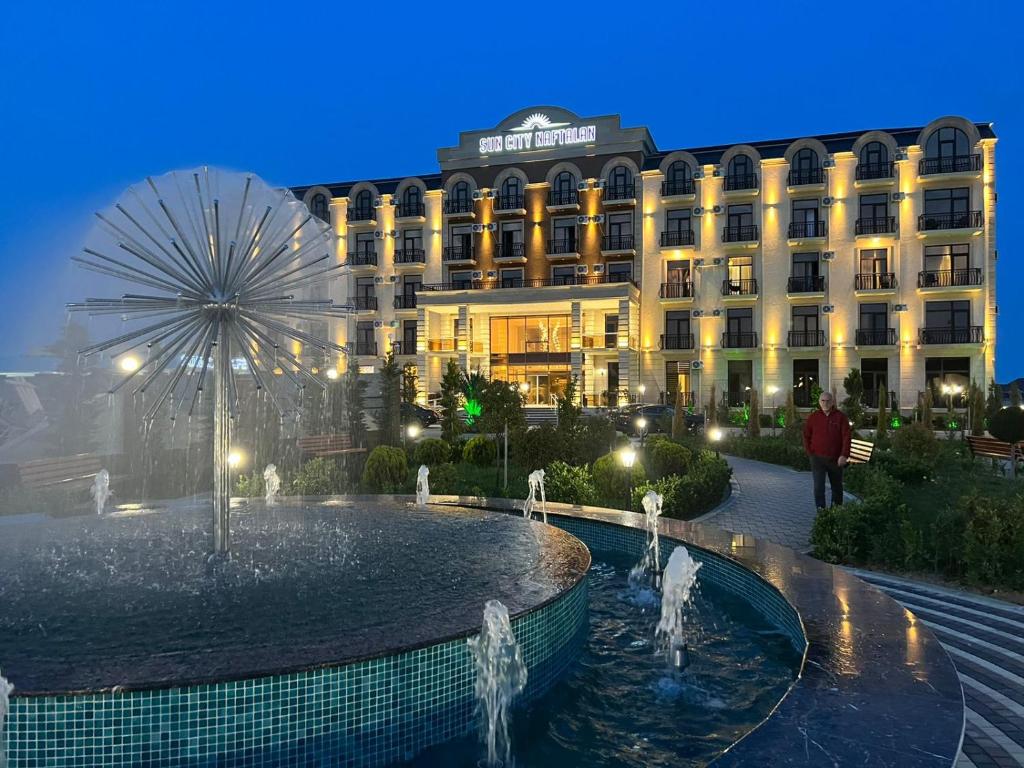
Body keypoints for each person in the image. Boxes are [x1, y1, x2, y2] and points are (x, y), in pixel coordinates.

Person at [802, 391, 851, 509]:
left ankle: (835, 512)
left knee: (837, 487)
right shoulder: (813, 417)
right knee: (819, 487)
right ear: (819, 402)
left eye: (828, 400)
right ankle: (822, 513)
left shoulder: (841, 417)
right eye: (822, 401)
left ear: (833, 402)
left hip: (835, 459)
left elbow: (846, 437)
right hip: (817, 459)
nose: (825, 403)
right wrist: (810, 453)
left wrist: (844, 455)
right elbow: (806, 436)